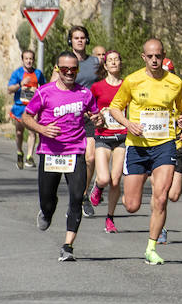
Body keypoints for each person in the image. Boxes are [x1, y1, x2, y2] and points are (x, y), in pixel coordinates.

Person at [109, 39, 182, 265]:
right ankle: (131, 190)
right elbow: (115, 108)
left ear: (163, 55)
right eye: (150, 56)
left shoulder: (175, 82)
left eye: (158, 56)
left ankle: (151, 247)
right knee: (132, 205)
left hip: (165, 144)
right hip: (137, 146)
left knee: (161, 197)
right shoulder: (132, 81)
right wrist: (128, 124)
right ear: (143, 57)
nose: (155, 60)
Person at [22, 51, 103, 260]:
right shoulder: (44, 92)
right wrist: (42, 129)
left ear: (77, 70)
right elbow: (26, 117)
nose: (69, 73)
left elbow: (95, 115)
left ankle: (68, 246)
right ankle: (47, 211)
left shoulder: (85, 94)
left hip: (75, 152)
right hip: (50, 153)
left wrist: (98, 120)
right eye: (64, 69)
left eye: (73, 69)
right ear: (58, 69)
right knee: (47, 200)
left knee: (77, 197)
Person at [60, 26, 102, 218]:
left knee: (90, 158)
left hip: (91, 116)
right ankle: (76, 195)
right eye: (76, 38)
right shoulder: (65, 61)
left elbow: (105, 83)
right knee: (72, 160)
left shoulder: (95, 62)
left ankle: (84, 194)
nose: (79, 41)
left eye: (83, 37)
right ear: (70, 41)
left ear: (87, 40)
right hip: (70, 116)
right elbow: (55, 84)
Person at [157, 58, 182, 245]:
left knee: (173, 194)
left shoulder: (181, 90)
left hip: (177, 145)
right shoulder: (152, 91)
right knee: (161, 190)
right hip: (157, 145)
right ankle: (160, 226)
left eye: (170, 72)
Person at [88, 50, 127, 233]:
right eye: (109, 60)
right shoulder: (97, 87)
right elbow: (89, 108)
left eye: (116, 60)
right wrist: (95, 117)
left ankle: (110, 218)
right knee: (104, 178)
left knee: (115, 179)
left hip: (122, 136)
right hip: (103, 135)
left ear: (120, 63)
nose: (113, 63)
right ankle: (97, 186)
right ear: (105, 66)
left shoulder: (128, 85)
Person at [6, 49, 45, 169]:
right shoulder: (17, 73)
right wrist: (20, 84)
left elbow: (44, 89)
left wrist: (37, 91)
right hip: (19, 107)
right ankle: (19, 152)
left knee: (32, 132)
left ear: (33, 60)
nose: (29, 61)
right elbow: (9, 90)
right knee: (19, 132)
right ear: (22, 60)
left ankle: (29, 156)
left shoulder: (38, 73)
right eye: (26, 58)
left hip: (32, 108)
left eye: (31, 59)